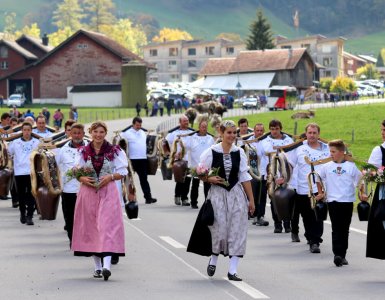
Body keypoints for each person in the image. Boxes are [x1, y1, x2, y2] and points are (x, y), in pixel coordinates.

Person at [189, 120, 255, 281]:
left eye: (234, 133)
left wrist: (251, 200)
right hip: (217, 195)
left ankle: (232, 270)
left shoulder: (239, 152)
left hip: (236, 194)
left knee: (238, 230)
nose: (232, 136)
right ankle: (214, 258)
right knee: (219, 229)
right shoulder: (211, 152)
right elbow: (199, 172)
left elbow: (244, 177)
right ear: (221, 133)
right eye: (229, 133)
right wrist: (209, 179)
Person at [71, 121, 128, 281]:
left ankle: (107, 266)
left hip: (108, 191)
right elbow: (75, 170)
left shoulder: (114, 151)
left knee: (107, 226)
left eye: (101, 132)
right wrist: (81, 177)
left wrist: (110, 177)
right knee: (92, 228)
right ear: (91, 132)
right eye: (95, 132)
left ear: (105, 133)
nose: (98, 135)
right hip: (88, 192)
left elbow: (123, 171)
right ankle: (97, 266)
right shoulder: (83, 151)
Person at [316, 139, 366, 266]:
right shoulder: (326, 166)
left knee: (344, 228)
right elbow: (318, 178)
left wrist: (362, 194)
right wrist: (320, 192)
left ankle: (343, 254)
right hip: (333, 201)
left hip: (347, 201)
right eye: (330, 151)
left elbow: (360, 181)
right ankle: (337, 254)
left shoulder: (351, 167)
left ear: (342, 152)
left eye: (333, 152)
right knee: (336, 228)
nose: (331, 154)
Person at [285, 123, 330, 253]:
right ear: (306, 134)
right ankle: (310, 237)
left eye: (314, 133)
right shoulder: (299, 148)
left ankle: (315, 240)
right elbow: (290, 165)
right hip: (303, 187)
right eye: (309, 133)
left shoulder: (326, 148)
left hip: (321, 187)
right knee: (307, 215)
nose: (312, 135)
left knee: (318, 214)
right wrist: (284, 178)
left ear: (318, 134)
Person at [56, 123, 87, 245]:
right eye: (74, 133)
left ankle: (84, 241)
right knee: (69, 217)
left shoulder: (90, 148)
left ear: (83, 134)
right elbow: (57, 168)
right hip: (68, 189)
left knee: (85, 217)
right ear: (70, 134)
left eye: (79, 133)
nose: (77, 135)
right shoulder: (63, 150)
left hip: (86, 189)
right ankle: (72, 239)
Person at [260, 119, 294, 233]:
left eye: (277, 129)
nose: (274, 131)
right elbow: (267, 150)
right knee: (274, 198)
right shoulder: (266, 140)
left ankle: (287, 223)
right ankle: (278, 224)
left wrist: (279, 148)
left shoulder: (288, 139)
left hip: (286, 172)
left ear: (280, 129)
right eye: (272, 129)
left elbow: (291, 153)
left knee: (287, 198)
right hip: (272, 172)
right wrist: (282, 148)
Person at [7, 122, 40, 225]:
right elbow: (9, 153)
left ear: (31, 131)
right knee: (21, 195)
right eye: (25, 130)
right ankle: (22, 213)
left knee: (31, 194)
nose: (26, 132)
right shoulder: (15, 142)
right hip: (19, 172)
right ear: (22, 131)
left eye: (28, 130)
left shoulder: (36, 142)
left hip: (31, 172)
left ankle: (30, 216)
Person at [121, 117, 157, 204]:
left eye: (140, 125)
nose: (139, 126)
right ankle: (125, 197)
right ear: (133, 124)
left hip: (142, 159)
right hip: (131, 160)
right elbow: (120, 142)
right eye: (137, 125)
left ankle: (148, 197)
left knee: (144, 179)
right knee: (128, 179)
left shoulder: (143, 133)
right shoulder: (126, 133)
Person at [183, 119, 215, 209]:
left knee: (207, 185)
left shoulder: (210, 138)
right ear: (199, 128)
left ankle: (207, 202)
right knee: (195, 185)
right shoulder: (192, 138)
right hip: (195, 165)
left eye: (205, 127)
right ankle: (193, 202)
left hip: (207, 167)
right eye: (202, 127)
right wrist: (180, 140)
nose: (204, 128)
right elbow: (185, 146)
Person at [366, 119, 385, 260]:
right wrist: (379, 176)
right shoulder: (379, 150)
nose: (383, 133)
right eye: (382, 130)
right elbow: (369, 174)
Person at [166, 115, 194, 206]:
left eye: (187, 121)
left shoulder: (192, 133)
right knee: (180, 179)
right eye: (184, 121)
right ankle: (177, 196)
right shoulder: (174, 133)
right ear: (180, 122)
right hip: (178, 160)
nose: (186, 122)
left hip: (190, 159)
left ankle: (185, 198)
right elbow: (164, 143)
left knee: (188, 180)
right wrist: (172, 154)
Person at [248, 123, 269, 226]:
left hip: (264, 172)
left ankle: (260, 216)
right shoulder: (249, 142)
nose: (259, 132)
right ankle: (254, 214)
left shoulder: (267, 141)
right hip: (252, 173)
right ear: (254, 131)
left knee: (263, 195)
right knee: (254, 195)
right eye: (258, 131)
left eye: (261, 131)